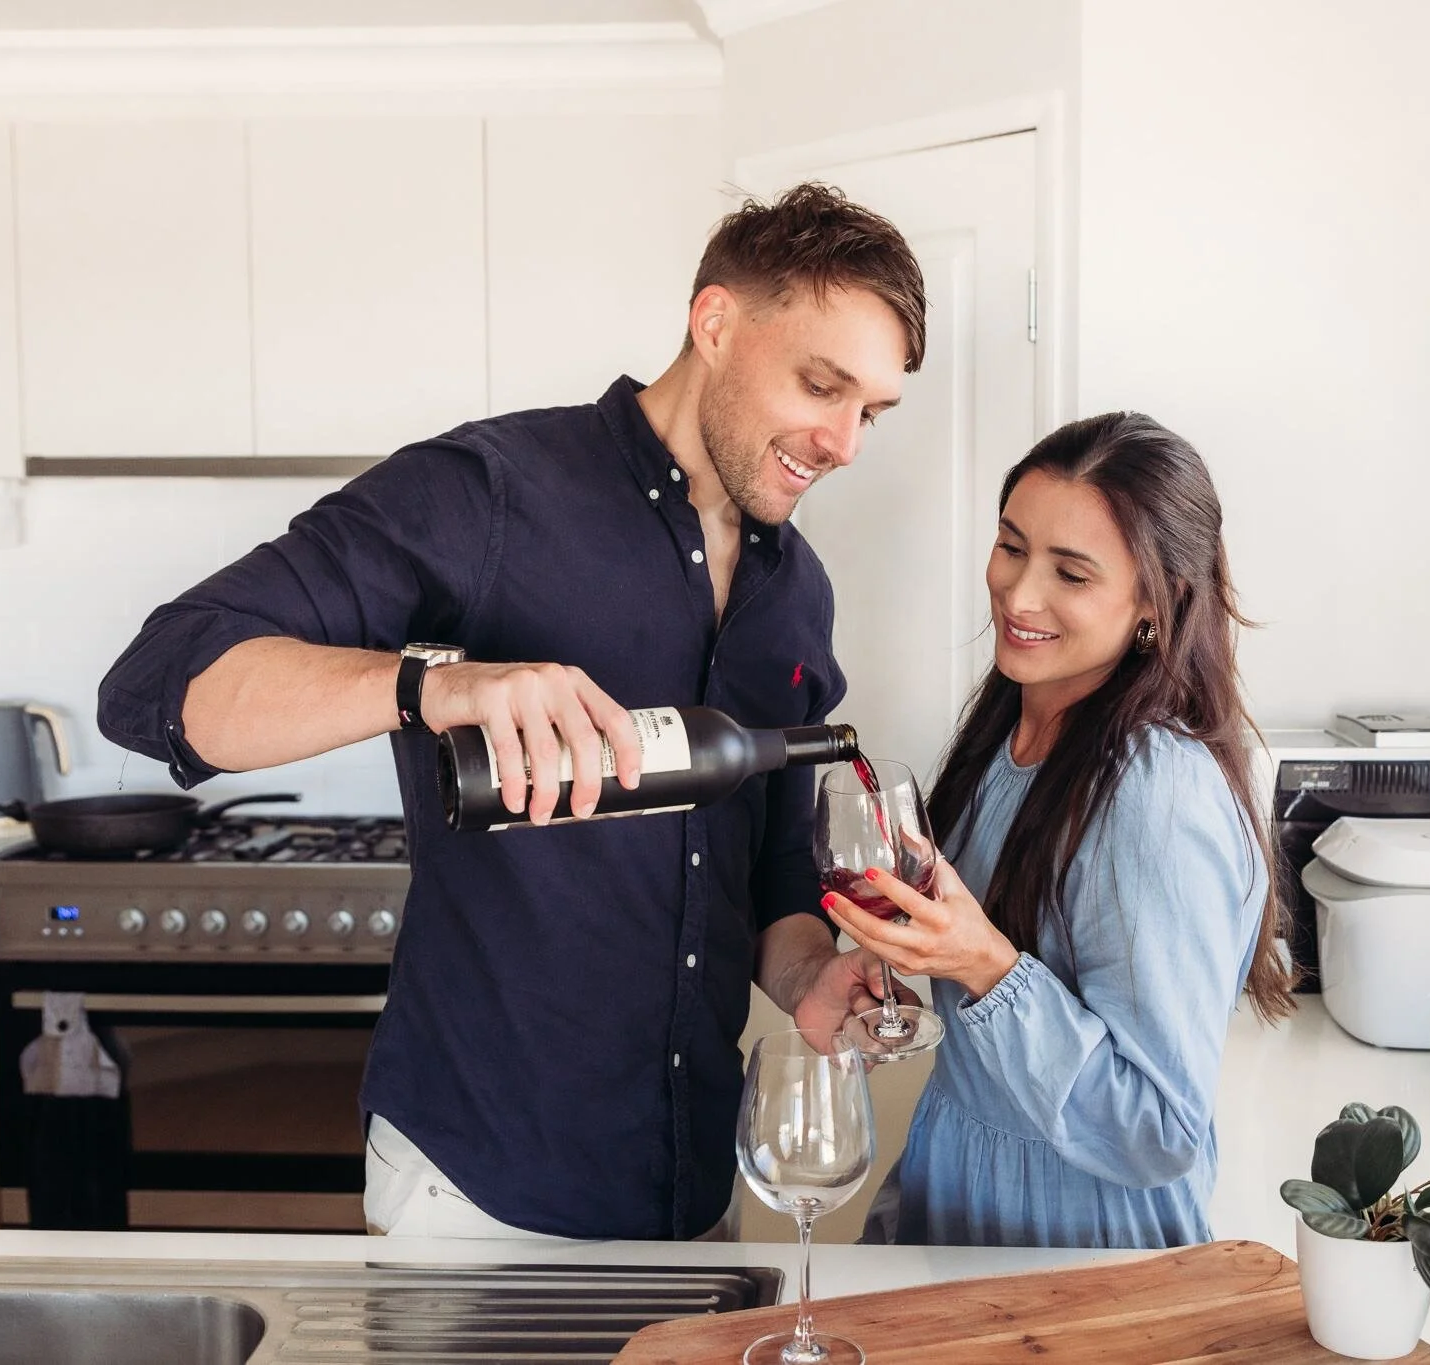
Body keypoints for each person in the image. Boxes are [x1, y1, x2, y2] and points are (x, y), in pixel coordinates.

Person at [98, 183, 927, 1241]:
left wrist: (810, 975)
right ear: (714, 324)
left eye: (871, 411)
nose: (845, 442)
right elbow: (155, 682)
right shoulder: (485, 494)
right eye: (823, 386)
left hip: (690, 1190)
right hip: (477, 1191)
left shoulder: (795, 590)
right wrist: (429, 685)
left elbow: (763, 872)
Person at [824, 411, 1296, 1250]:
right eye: (1011, 547)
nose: (1018, 592)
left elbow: (1157, 1130)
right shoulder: (1012, 726)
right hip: (960, 1206)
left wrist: (985, 965)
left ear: (1157, 602)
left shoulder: (1156, 791)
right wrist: (910, 965)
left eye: (1070, 573)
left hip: (1082, 1252)